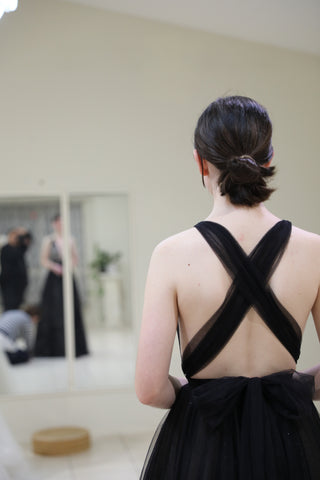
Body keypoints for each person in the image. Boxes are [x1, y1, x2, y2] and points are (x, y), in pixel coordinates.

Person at [135, 96, 320, 479]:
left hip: (204, 441)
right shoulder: (314, 250)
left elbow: (150, 389)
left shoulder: (170, 254)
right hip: (291, 441)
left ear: (201, 162)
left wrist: (197, 392)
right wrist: (290, 385)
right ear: (268, 159)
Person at [34, 214, 88, 357]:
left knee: (70, 309)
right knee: (53, 310)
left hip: (68, 276)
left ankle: (74, 348)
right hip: (54, 279)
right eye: (58, 223)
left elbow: (75, 257)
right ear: (53, 224)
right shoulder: (48, 240)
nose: (60, 225)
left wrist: (69, 267)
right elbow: (44, 260)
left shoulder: (71, 239)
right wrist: (55, 267)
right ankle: (51, 348)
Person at [0, 228, 31, 311]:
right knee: (10, 305)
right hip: (8, 283)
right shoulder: (6, 249)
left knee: (18, 304)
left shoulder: (20, 248)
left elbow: (27, 242)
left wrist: (24, 233)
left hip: (19, 282)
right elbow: (14, 255)